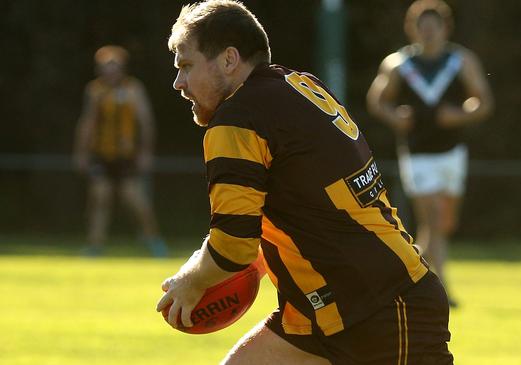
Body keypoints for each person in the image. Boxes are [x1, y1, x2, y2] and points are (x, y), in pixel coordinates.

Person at [155, 1, 453, 364]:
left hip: (381, 307)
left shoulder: (238, 119)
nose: (178, 83)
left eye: (186, 66)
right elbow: (305, 204)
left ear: (229, 60)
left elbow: (233, 248)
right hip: (328, 310)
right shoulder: (297, 85)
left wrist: (194, 280)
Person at [366, 0, 493, 306]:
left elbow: (483, 101)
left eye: (433, 27)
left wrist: (459, 115)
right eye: (421, 28)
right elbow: (377, 100)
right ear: (412, 29)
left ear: (445, 28)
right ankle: (442, 289)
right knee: (433, 218)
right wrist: (395, 117)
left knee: (443, 224)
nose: (428, 33)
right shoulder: (399, 64)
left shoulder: (460, 61)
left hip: (451, 152)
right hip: (417, 153)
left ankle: (400, 276)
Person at [74, 45, 167, 257]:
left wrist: (146, 153)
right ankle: (95, 245)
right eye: (106, 67)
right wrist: (81, 151)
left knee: (134, 198)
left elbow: (146, 122)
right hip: (102, 154)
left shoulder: (134, 89)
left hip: (127, 156)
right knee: (100, 196)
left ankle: (153, 240)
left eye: (114, 66)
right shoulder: (95, 90)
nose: (110, 71)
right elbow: (87, 122)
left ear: (122, 68)